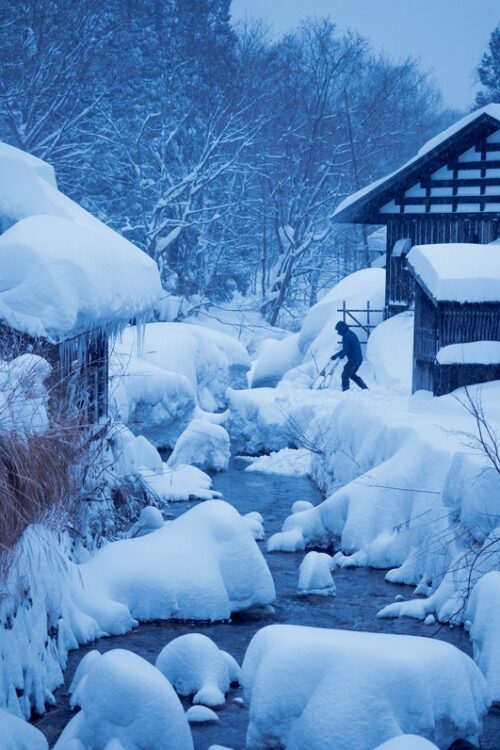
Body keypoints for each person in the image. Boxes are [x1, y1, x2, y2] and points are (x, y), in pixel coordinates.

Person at [331, 321, 368, 392]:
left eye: (338, 330)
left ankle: (345, 391)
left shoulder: (346, 337)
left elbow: (346, 349)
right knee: (350, 374)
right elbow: (349, 348)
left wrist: (336, 356)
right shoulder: (350, 334)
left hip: (354, 359)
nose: (338, 332)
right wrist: (342, 355)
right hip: (358, 359)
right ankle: (364, 388)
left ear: (342, 329)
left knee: (345, 375)